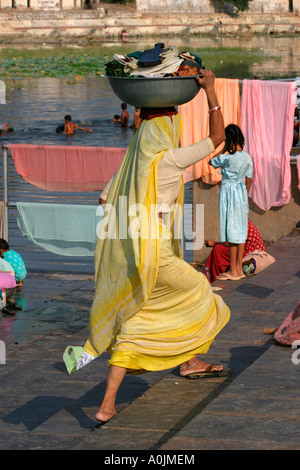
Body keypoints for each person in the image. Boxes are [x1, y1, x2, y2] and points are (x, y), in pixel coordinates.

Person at [63, 69, 231, 425]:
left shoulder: (132, 165)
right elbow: (218, 135)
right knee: (202, 292)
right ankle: (190, 360)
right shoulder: (168, 160)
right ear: (168, 133)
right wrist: (211, 90)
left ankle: (108, 405)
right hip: (156, 253)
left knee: (136, 322)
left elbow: (105, 199)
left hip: (132, 253)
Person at [209, 124, 253, 281]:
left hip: (228, 194)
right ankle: (239, 269)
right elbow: (249, 178)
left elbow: (211, 161)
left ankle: (233, 271)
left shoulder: (227, 157)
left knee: (231, 231)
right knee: (240, 232)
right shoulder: (247, 157)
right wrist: (244, 196)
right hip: (241, 194)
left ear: (229, 140)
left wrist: (224, 149)